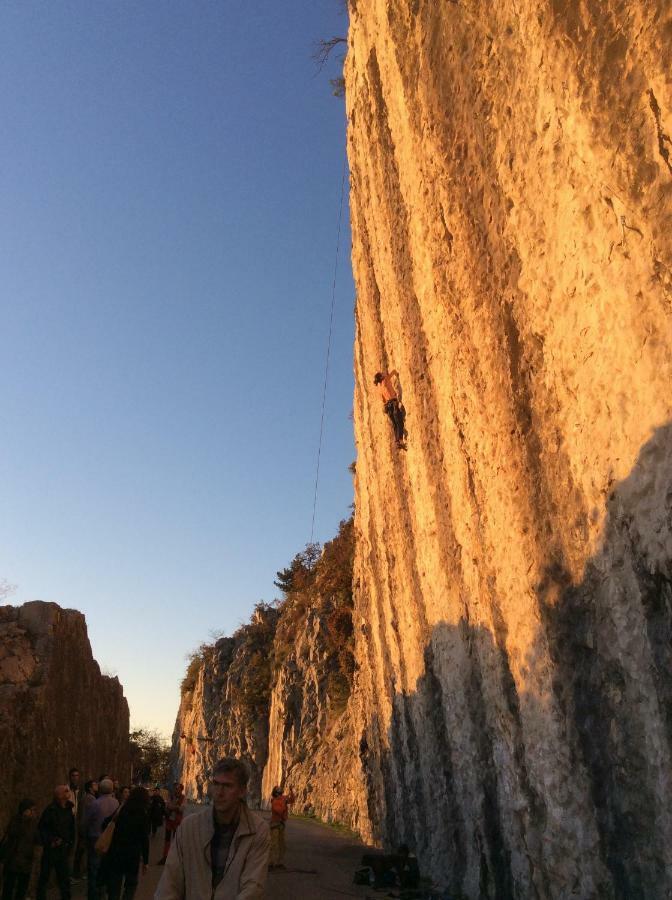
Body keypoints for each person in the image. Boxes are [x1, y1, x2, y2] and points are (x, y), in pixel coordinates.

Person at [154, 757, 269, 900]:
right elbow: (170, 883)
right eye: (216, 784)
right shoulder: (189, 828)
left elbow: (253, 887)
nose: (219, 793)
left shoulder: (257, 830)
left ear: (242, 791)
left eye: (227, 786)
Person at [102, 787, 150, 900]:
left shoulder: (122, 809)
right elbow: (144, 839)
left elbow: (105, 823)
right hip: (132, 854)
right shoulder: (143, 813)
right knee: (131, 884)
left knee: (114, 884)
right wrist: (146, 861)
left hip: (117, 852)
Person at [36, 785, 75, 900]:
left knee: (64, 879)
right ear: (59, 795)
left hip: (63, 849)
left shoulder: (68, 810)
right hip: (51, 849)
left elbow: (71, 829)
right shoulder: (50, 810)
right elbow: (42, 828)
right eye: (66, 791)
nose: (68, 793)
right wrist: (50, 841)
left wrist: (70, 843)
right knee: (44, 877)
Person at [85, 778, 119, 900]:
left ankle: (94, 895)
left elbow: (87, 820)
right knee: (106, 867)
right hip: (110, 839)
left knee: (94, 868)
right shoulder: (116, 803)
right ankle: (104, 893)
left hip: (95, 838)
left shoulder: (95, 803)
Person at [1, 798, 38, 900]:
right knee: (9, 887)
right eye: (32, 810)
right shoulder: (16, 820)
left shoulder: (34, 823)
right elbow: (13, 833)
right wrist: (23, 820)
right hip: (13, 860)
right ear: (25, 810)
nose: (34, 812)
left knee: (21, 889)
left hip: (26, 861)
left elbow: (36, 838)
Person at [373, 371, 406, 449]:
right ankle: (400, 440)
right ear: (381, 377)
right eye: (382, 374)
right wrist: (397, 374)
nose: (383, 373)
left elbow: (383, 401)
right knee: (400, 422)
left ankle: (397, 441)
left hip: (388, 407)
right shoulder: (385, 380)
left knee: (395, 424)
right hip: (393, 403)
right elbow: (394, 372)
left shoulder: (379, 388)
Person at [268, 786, 294, 870]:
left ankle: (279, 862)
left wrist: (291, 791)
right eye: (279, 791)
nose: (280, 793)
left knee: (281, 844)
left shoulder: (283, 798)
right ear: (276, 793)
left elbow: (292, 800)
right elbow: (279, 811)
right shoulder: (274, 801)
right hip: (275, 825)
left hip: (281, 824)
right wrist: (284, 801)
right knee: (274, 844)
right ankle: (271, 863)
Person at [158, 785, 184, 865]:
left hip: (177, 822)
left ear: (181, 790)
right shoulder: (171, 796)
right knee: (167, 840)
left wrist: (173, 807)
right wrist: (175, 807)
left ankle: (174, 858)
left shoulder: (183, 798)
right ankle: (165, 857)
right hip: (169, 821)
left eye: (178, 789)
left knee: (176, 840)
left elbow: (181, 808)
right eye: (176, 788)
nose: (176, 790)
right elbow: (168, 805)